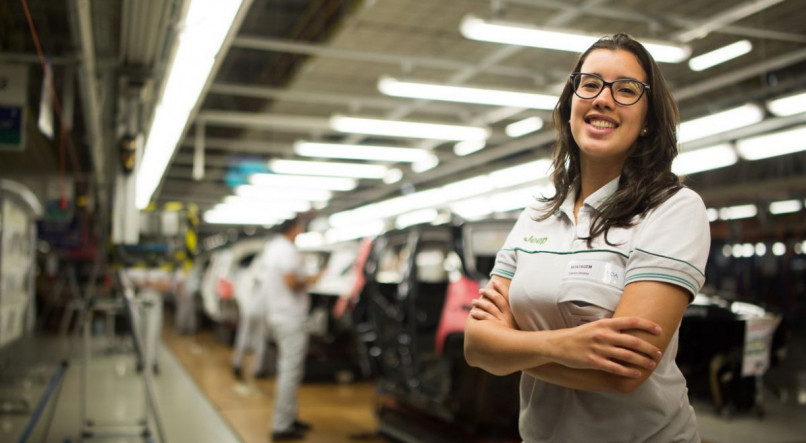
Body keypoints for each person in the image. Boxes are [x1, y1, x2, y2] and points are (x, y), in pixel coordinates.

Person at [464, 33, 710, 443]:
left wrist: (511, 350)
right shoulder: (536, 216)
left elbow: (624, 372)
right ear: (570, 102)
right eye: (590, 83)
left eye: (627, 89)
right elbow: (475, 346)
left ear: (649, 120)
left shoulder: (673, 209)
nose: (603, 99)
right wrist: (565, 346)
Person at [257, 217, 319, 441]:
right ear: (295, 229)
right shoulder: (287, 250)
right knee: (290, 372)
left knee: (290, 370)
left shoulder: (273, 247)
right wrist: (314, 278)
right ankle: (281, 425)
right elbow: (291, 282)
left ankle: (289, 418)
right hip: (289, 317)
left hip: (276, 314)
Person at [231, 253, 271, 379]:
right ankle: (257, 369)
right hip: (260, 311)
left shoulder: (245, 274)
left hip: (247, 310)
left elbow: (237, 293)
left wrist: (243, 308)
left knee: (243, 336)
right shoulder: (266, 274)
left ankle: (237, 362)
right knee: (261, 339)